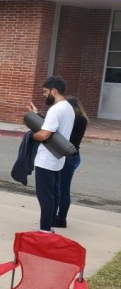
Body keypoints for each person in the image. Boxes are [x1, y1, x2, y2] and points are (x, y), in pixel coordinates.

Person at [30, 76, 75, 232]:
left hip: (46, 159)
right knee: (53, 194)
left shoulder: (55, 109)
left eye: (45, 91)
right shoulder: (68, 107)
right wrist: (36, 116)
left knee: (45, 196)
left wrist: (32, 136)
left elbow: (44, 135)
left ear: (53, 90)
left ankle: (44, 230)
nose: (44, 95)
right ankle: (48, 227)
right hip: (57, 159)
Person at [55, 96, 88, 229]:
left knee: (62, 189)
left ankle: (61, 219)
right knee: (63, 188)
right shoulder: (82, 119)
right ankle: (60, 217)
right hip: (74, 156)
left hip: (68, 157)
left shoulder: (75, 119)